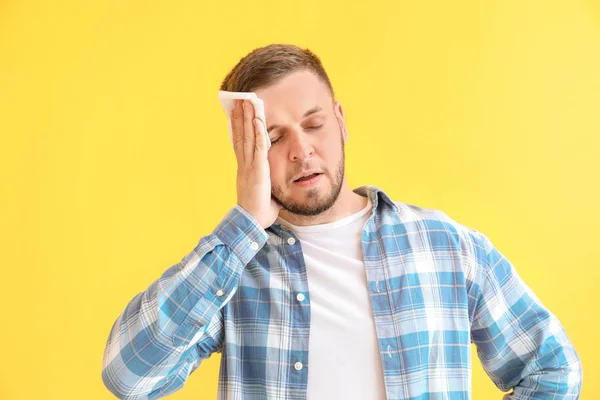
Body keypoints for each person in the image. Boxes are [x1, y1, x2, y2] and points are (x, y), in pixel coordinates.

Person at [101, 44, 582, 399]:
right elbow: (129, 376)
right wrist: (244, 224)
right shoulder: (232, 270)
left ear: (341, 122)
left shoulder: (448, 248)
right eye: (273, 137)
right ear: (247, 154)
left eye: (314, 125)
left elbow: (552, 369)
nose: (302, 150)